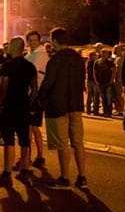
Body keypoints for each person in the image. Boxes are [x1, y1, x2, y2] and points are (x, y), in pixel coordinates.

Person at [38, 27, 88, 190]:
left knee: (62, 144)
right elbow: (82, 81)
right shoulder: (79, 60)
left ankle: (64, 178)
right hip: (76, 105)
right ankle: (82, 177)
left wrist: (40, 99)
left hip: (58, 106)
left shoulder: (55, 61)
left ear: (53, 41)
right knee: (78, 142)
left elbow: (47, 84)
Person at [0, 37, 37, 188]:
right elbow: (34, 89)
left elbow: (3, 88)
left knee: (9, 140)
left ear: (11, 48)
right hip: (23, 107)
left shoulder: (7, 66)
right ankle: (25, 171)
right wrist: (28, 103)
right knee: (24, 140)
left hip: (9, 108)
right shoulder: (30, 66)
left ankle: (6, 173)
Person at [24, 30, 49, 169]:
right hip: (29, 95)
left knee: (31, 128)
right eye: (30, 40)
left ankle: (32, 157)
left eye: (35, 40)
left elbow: (31, 72)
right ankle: (34, 156)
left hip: (34, 96)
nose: (33, 42)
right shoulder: (30, 55)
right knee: (31, 128)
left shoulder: (40, 54)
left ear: (39, 41)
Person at [94, 48, 115, 118]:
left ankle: (108, 112)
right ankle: (105, 112)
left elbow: (113, 71)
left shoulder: (110, 62)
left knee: (109, 98)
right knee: (103, 98)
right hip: (100, 83)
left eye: (105, 53)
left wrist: (111, 80)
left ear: (108, 54)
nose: (104, 54)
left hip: (108, 83)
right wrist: (96, 81)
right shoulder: (97, 62)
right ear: (101, 53)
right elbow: (95, 72)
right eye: (103, 53)